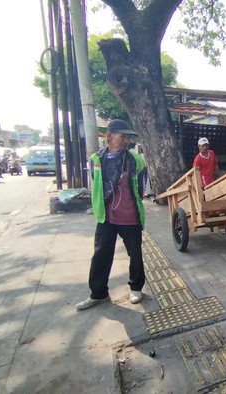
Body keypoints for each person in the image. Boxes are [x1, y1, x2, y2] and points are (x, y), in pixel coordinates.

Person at [76, 119, 148, 311]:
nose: (126, 140)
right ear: (109, 136)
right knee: (101, 254)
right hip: (106, 216)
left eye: (128, 137)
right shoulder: (96, 160)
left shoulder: (134, 159)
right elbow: (96, 185)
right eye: (122, 136)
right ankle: (98, 293)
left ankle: (136, 288)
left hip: (130, 216)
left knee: (135, 253)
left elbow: (141, 186)